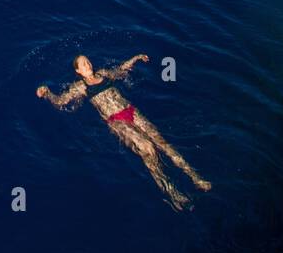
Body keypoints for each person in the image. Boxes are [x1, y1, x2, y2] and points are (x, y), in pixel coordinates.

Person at [37, 53, 211, 211]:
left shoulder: (104, 73)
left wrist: (136, 58)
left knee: (163, 145)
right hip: (116, 121)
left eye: (88, 61)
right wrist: (47, 93)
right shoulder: (79, 87)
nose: (88, 64)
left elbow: (121, 70)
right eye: (83, 64)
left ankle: (195, 177)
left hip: (132, 112)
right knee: (148, 149)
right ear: (78, 71)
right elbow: (61, 101)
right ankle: (172, 192)